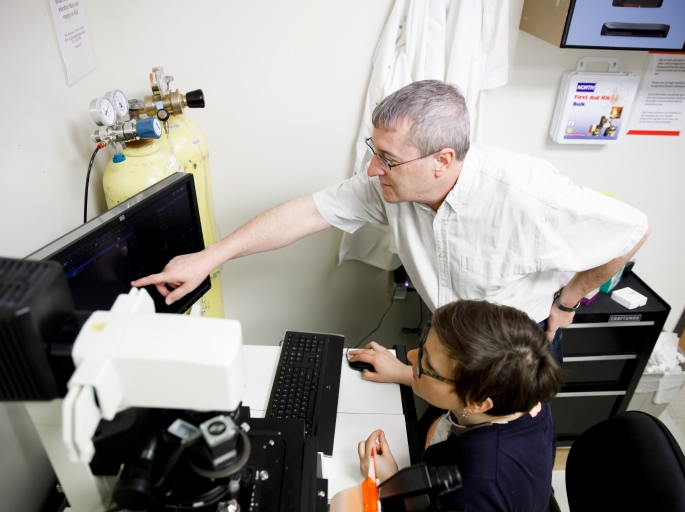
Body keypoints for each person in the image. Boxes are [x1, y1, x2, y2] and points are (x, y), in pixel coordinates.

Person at [132, 80, 651, 359]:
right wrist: (209, 258)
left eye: (389, 159)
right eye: (372, 150)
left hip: (511, 345)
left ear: (442, 161)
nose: (373, 169)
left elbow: (632, 229)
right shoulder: (388, 185)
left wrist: (567, 300)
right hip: (446, 331)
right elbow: (307, 212)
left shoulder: (528, 195)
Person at [353, 300, 562, 512]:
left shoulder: (474, 487)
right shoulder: (523, 391)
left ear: (477, 403)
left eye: (429, 365)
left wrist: (390, 482)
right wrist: (401, 372)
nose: (410, 356)